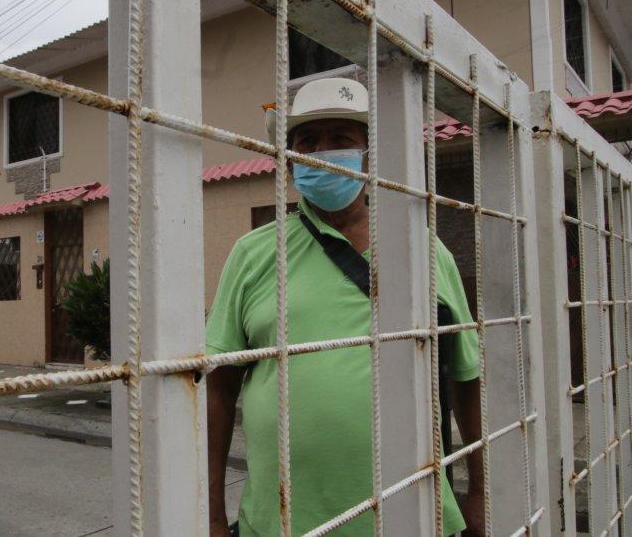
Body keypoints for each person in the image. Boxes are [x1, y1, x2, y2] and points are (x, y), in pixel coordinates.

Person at [206, 77, 486, 536]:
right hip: (280, 522)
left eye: (340, 140)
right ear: (290, 163)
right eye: (308, 142)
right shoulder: (252, 253)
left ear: (368, 157)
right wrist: (214, 517)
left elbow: (466, 376)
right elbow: (219, 390)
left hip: (409, 517)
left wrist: (479, 492)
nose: (322, 152)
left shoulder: (423, 250)